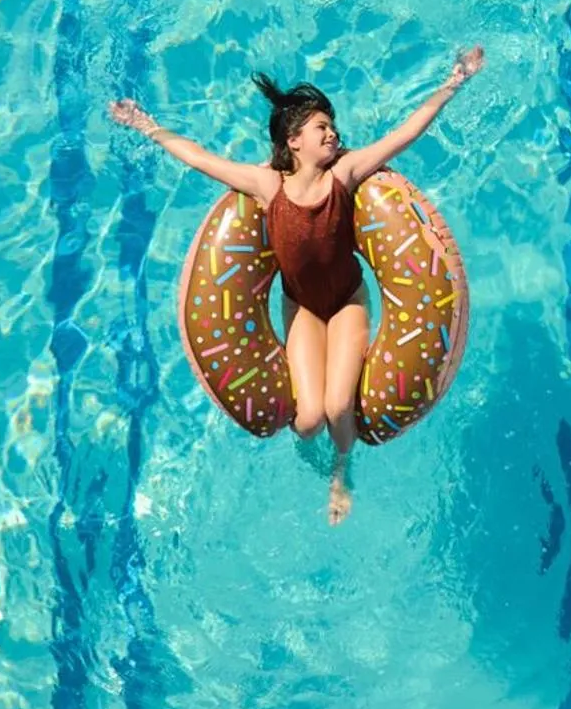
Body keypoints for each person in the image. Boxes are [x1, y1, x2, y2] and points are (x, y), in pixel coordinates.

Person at [109, 47, 484, 523]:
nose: (332, 133)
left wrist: (454, 81)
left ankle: (341, 473)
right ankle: (317, 460)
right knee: (308, 421)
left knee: (339, 409)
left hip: (347, 303)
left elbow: (405, 133)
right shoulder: (267, 187)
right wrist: (144, 124)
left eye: (332, 126)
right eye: (321, 127)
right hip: (302, 309)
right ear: (294, 141)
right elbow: (199, 158)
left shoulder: (345, 175)